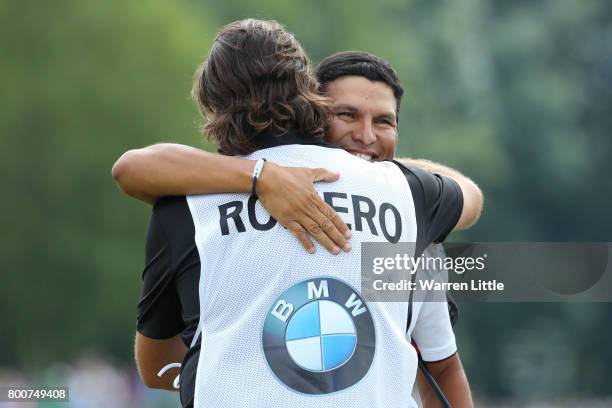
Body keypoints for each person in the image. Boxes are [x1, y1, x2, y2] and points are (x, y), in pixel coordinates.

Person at [114, 20, 480, 407]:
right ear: (311, 96)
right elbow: (469, 197)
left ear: (213, 106)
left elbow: (155, 367)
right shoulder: (410, 194)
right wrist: (377, 172)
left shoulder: (183, 202)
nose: (367, 136)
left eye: (383, 121)